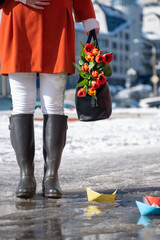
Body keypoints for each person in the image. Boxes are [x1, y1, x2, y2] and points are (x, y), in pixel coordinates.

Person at [0, 0, 100, 199]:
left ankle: (51, 177)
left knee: (54, 104)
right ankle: (26, 176)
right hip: (19, 19)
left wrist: (88, 19)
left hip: (57, 24)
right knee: (21, 104)